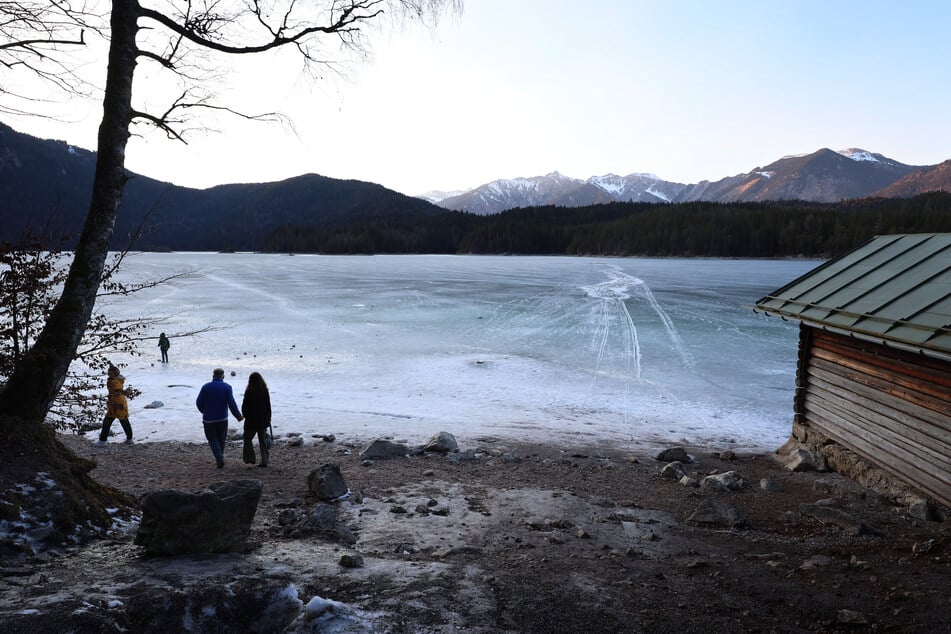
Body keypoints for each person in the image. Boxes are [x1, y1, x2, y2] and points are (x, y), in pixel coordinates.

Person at [196, 368, 243, 468]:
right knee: (221, 439)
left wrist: (204, 411)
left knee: (212, 439)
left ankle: (219, 458)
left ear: (213, 376)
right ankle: (219, 457)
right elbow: (231, 403)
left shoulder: (205, 387)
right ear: (223, 376)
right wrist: (238, 416)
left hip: (208, 419)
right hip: (222, 418)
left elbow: (198, 402)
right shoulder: (227, 387)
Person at [241, 372, 273, 468]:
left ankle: (250, 459)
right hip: (262, 420)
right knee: (262, 441)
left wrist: (245, 415)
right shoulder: (264, 391)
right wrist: (269, 418)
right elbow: (268, 406)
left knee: (247, 439)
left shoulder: (249, 391)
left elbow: (245, 406)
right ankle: (264, 461)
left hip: (251, 421)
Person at [98, 364, 133, 444]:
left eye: (110, 373)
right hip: (117, 403)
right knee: (122, 420)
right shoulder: (115, 380)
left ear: (115, 374)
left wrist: (124, 392)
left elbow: (118, 390)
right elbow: (119, 390)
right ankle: (129, 439)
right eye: (108, 372)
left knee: (110, 421)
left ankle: (102, 441)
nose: (108, 374)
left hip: (117, 404)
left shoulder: (114, 382)